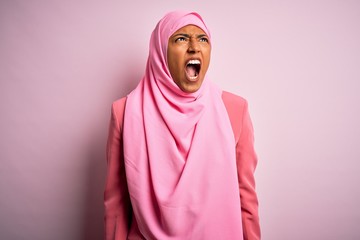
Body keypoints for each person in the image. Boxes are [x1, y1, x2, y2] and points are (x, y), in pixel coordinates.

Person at [104, 11, 260, 240]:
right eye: (181, 38)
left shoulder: (234, 109)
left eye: (203, 39)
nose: (195, 47)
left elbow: (246, 199)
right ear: (160, 51)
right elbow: (116, 206)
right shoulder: (125, 112)